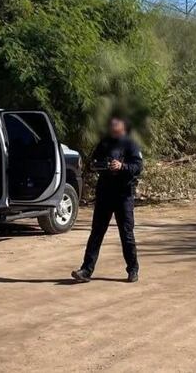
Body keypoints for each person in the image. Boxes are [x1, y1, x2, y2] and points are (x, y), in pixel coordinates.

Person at [72, 116, 144, 283]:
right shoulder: (104, 143)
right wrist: (96, 165)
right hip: (104, 194)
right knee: (96, 233)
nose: (112, 126)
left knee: (126, 234)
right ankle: (86, 270)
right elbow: (92, 162)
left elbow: (138, 167)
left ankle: (133, 269)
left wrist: (121, 166)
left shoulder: (130, 144)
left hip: (123, 195)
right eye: (111, 124)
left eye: (116, 124)